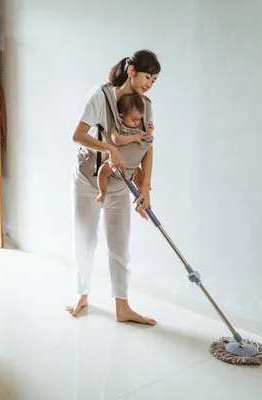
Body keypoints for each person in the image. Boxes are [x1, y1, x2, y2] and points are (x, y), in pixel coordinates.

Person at [66, 49, 161, 325]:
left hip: (123, 183)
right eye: (147, 76)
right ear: (131, 71)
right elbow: (78, 135)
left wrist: (145, 186)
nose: (149, 84)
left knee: (120, 246)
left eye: (154, 80)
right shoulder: (101, 97)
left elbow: (147, 147)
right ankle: (83, 294)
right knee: (85, 240)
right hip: (88, 179)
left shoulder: (146, 105)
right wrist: (109, 147)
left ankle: (123, 307)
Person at [95, 93, 154, 204]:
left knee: (141, 181)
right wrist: (133, 137)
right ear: (121, 117)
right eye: (133, 120)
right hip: (115, 163)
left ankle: (141, 202)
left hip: (133, 167)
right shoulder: (117, 127)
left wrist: (149, 132)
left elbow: (146, 142)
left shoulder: (139, 128)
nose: (137, 123)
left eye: (139, 120)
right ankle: (102, 192)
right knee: (102, 171)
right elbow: (116, 140)